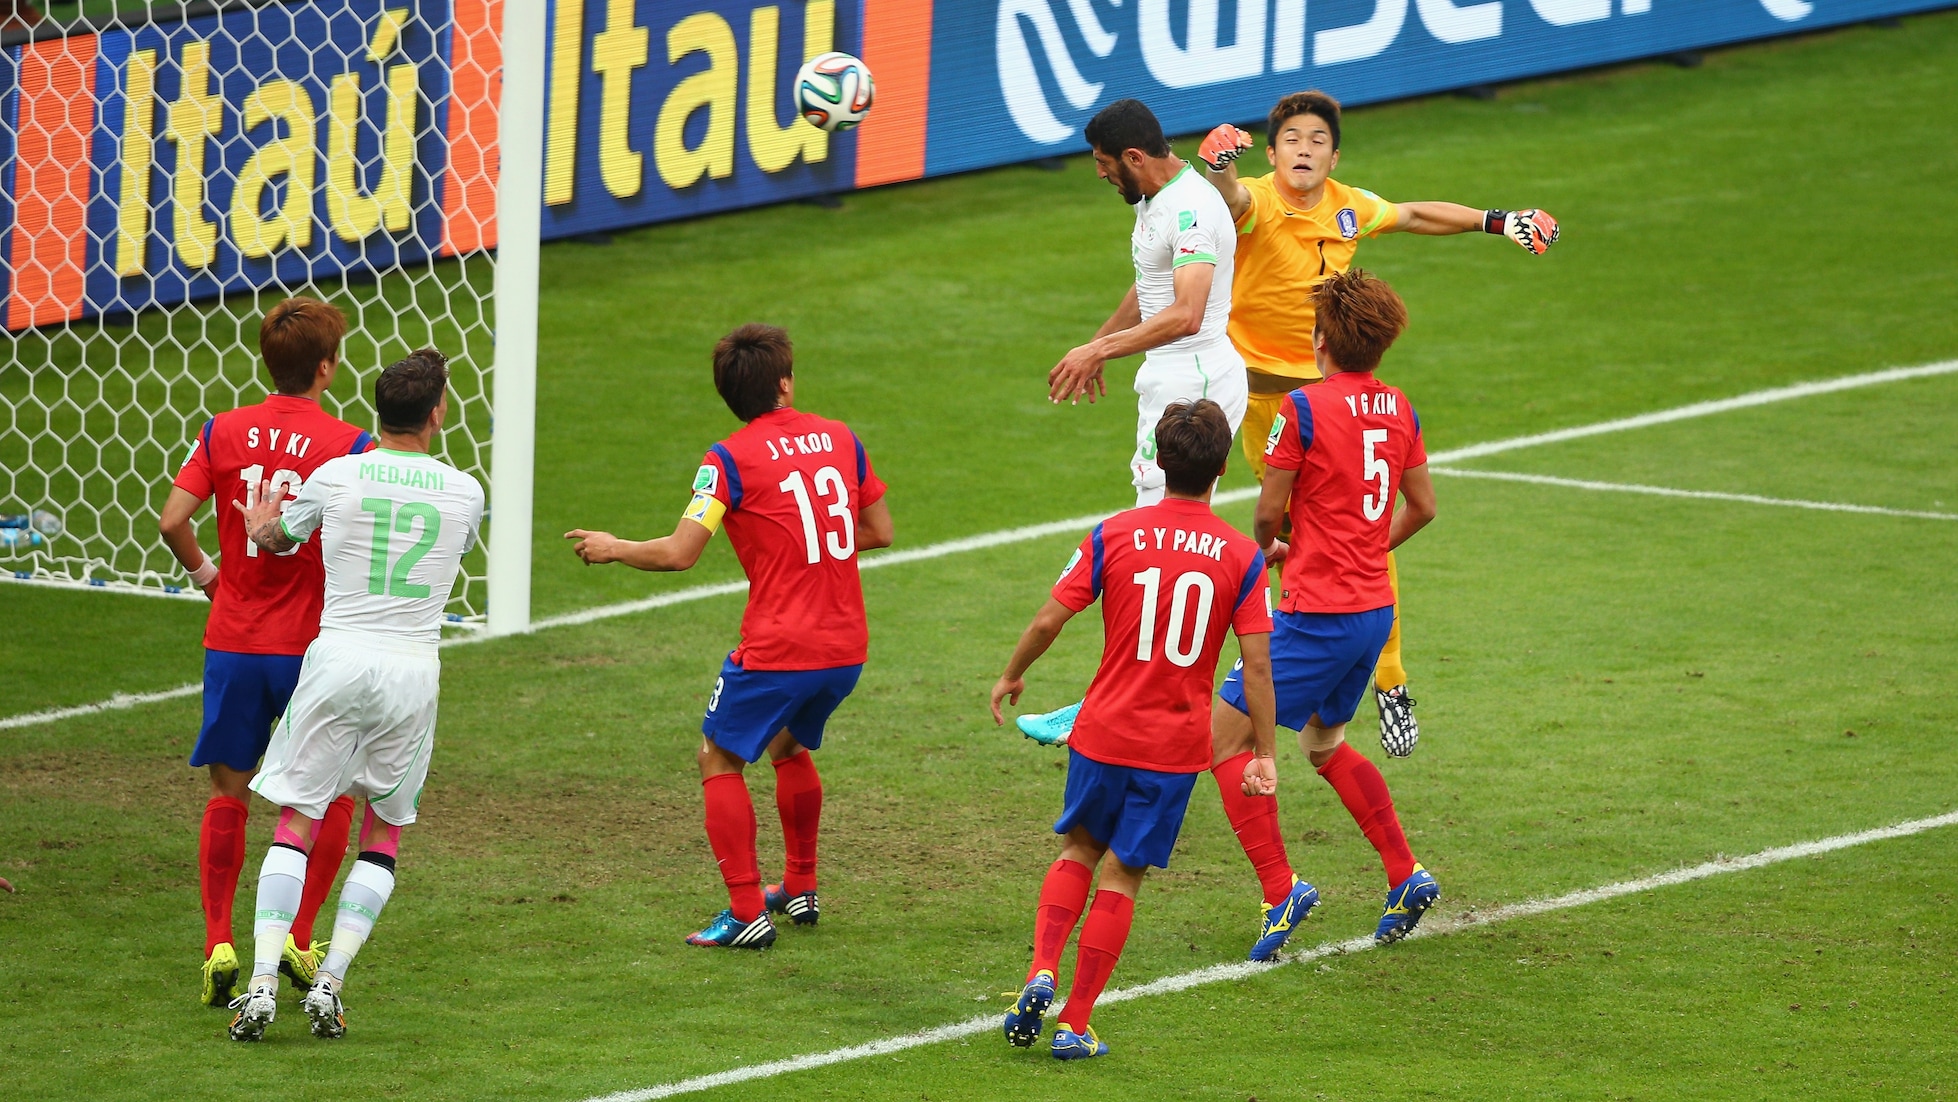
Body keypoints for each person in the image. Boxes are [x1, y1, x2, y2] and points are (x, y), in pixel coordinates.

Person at [1199, 89, 1558, 757]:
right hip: (1264, 409)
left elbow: (1415, 213)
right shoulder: (1256, 201)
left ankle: (1389, 682)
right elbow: (1230, 199)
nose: (1304, 149)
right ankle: (1317, 676)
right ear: (1271, 153)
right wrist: (1219, 165)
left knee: (1356, 537)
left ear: (1334, 156)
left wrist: (1497, 220)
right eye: (1292, 139)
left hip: (1331, 406)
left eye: (1317, 140)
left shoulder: (1349, 206)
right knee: (1304, 543)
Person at [566, 324, 893, 949]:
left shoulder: (727, 461)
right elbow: (879, 530)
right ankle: (799, 886)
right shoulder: (841, 438)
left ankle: (746, 913)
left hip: (779, 647)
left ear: (730, 396)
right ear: (784, 383)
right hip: (846, 645)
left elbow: (679, 553)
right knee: (788, 745)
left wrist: (613, 547)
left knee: (717, 757)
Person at [990, 400, 1276, 1061]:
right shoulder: (1242, 556)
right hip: (1172, 748)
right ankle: (1075, 1023)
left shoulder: (1114, 533)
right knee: (1122, 875)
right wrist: (1263, 751)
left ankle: (1041, 969)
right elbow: (1258, 666)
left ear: (1159, 462)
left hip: (1102, 731)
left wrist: (1012, 674)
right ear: (1222, 469)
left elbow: (1048, 619)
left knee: (1078, 849)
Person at [227, 349, 485, 1040]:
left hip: (338, 658)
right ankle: (331, 981)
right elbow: (451, 552)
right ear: (437, 413)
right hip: (411, 670)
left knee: (298, 819)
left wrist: (260, 525)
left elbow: (278, 539)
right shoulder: (464, 492)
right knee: (384, 829)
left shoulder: (336, 475)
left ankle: (260, 985)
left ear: (379, 409)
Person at [1214, 270, 1440, 953]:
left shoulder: (1302, 408)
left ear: (1320, 341)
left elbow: (1266, 513)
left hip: (1316, 613)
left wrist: (1274, 548)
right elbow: (1423, 507)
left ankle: (1279, 889)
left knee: (1222, 742)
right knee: (1323, 744)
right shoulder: (1400, 407)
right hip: (1372, 613)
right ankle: (1405, 874)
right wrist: (1365, 546)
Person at [158, 296, 374, 1007]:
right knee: (330, 796)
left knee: (228, 793)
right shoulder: (350, 445)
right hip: (312, 649)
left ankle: (219, 942)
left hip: (235, 640)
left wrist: (210, 579)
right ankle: (297, 936)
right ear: (327, 367)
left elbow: (172, 520)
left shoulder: (222, 430)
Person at [1016, 97, 1248, 746]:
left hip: (1193, 380)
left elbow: (1187, 311)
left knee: (1153, 551)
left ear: (1135, 157)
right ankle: (1140, 699)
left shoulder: (1191, 208)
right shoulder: (1155, 200)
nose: (1099, 174)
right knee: (1164, 551)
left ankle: (1108, 704)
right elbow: (1151, 285)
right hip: (1171, 379)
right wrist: (1100, 341)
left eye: (1102, 162)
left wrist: (1100, 352)